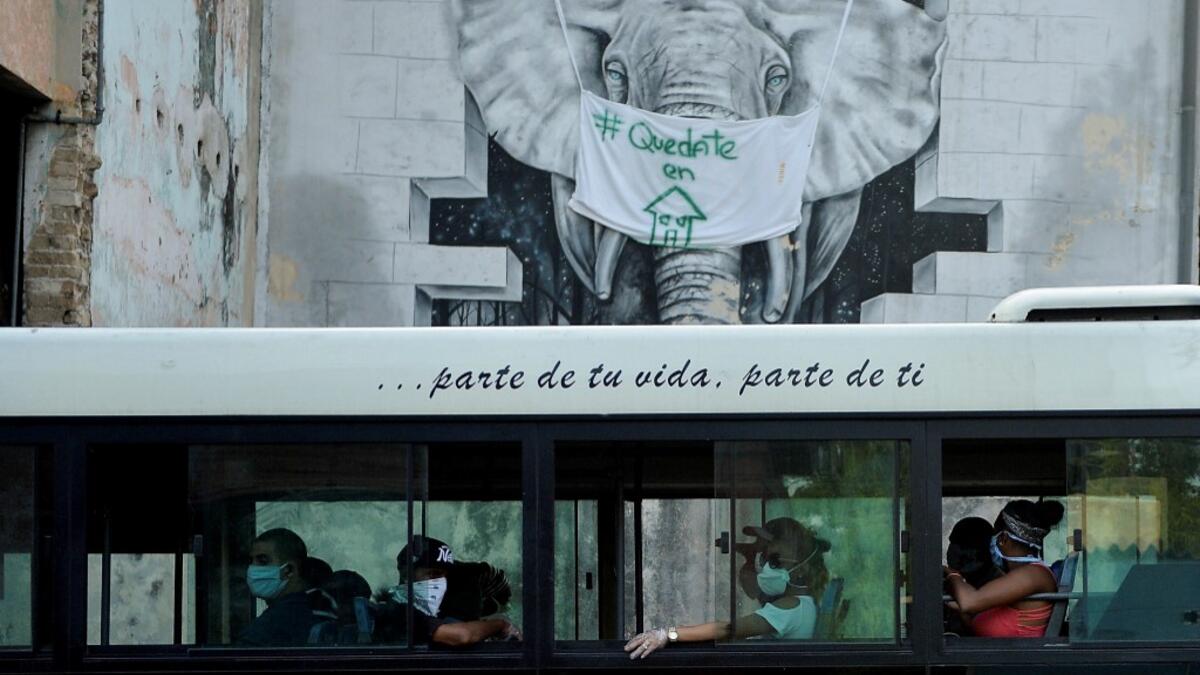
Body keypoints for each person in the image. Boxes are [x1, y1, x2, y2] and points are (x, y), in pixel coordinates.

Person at [624, 517, 829, 659]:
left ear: (802, 570)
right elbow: (752, 588)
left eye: (775, 561)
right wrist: (750, 557)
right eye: (763, 558)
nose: (766, 568)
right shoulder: (803, 605)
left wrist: (667, 635)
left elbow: (728, 629)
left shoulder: (790, 609)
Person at [944, 500, 1064, 638]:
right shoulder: (1024, 575)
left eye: (994, 534)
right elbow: (979, 620)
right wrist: (959, 608)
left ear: (1003, 539)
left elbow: (969, 602)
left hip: (1017, 657)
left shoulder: (1032, 575)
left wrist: (952, 573)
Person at [373, 535, 520, 647]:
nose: (438, 582)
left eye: (443, 576)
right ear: (407, 574)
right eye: (431, 574)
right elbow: (461, 636)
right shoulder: (400, 608)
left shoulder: (418, 607)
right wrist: (501, 625)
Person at [237, 528, 323, 646]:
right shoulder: (312, 608)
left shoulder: (275, 624)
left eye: (263, 560)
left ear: (288, 570)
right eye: (251, 561)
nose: (252, 568)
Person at [943, 517, 1001, 635]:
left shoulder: (999, 584)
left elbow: (983, 631)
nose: (955, 552)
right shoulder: (945, 580)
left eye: (964, 547)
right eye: (953, 544)